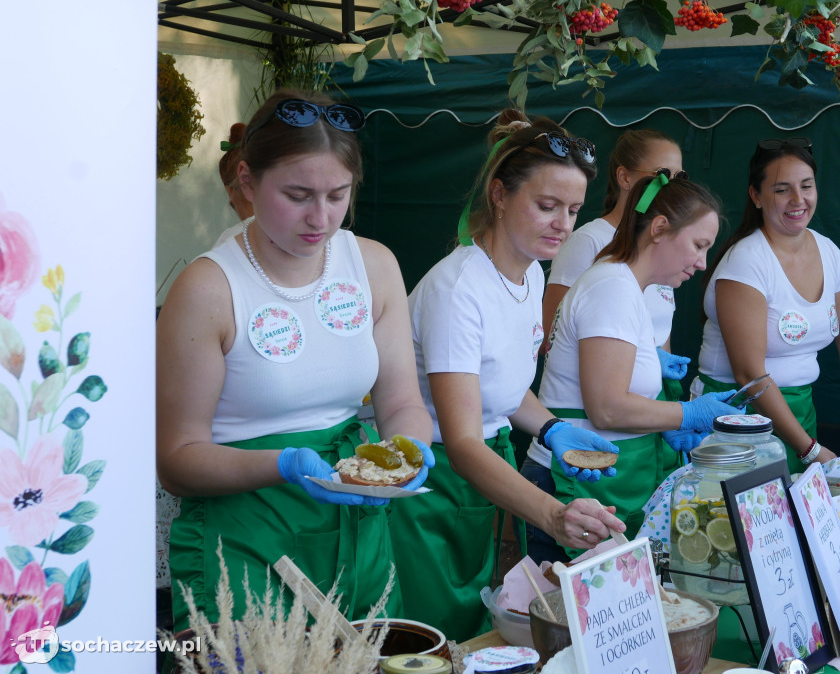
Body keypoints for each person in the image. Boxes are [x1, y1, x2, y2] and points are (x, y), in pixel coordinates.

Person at [157, 89, 435, 631]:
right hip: (242, 536)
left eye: (338, 195)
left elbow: (401, 399)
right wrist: (282, 463)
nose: (321, 217)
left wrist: (408, 448)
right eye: (298, 194)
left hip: (354, 525)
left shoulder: (372, 266)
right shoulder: (209, 289)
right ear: (246, 182)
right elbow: (177, 461)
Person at [389, 109, 625, 642]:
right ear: (499, 195)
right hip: (432, 481)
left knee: (475, 628)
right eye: (546, 206)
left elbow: (501, 383)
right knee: (433, 635)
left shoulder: (531, 272)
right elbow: (462, 438)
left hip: (480, 473)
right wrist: (553, 514)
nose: (563, 224)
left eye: (572, 209)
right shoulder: (457, 290)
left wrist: (550, 428)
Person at [532, 169, 744, 562]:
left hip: (604, 477)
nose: (702, 263)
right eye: (699, 245)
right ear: (660, 228)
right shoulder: (612, 286)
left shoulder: (626, 286)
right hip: (576, 479)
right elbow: (608, 407)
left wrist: (666, 425)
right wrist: (686, 413)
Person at [694, 137, 840, 472]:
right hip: (737, 417)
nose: (798, 200)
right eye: (782, 189)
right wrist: (809, 449)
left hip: (798, 413)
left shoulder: (829, 252)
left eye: (806, 186)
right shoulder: (746, 262)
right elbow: (749, 375)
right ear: (756, 196)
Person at [541, 129, 689, 395]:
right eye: (663, 175)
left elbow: (660, 333)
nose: (672, 187)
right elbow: (552, 337)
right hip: (596, 402)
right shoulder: (589, 240)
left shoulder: (660, 247)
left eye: (680, 178)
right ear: (624, 177)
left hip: (651, 397)